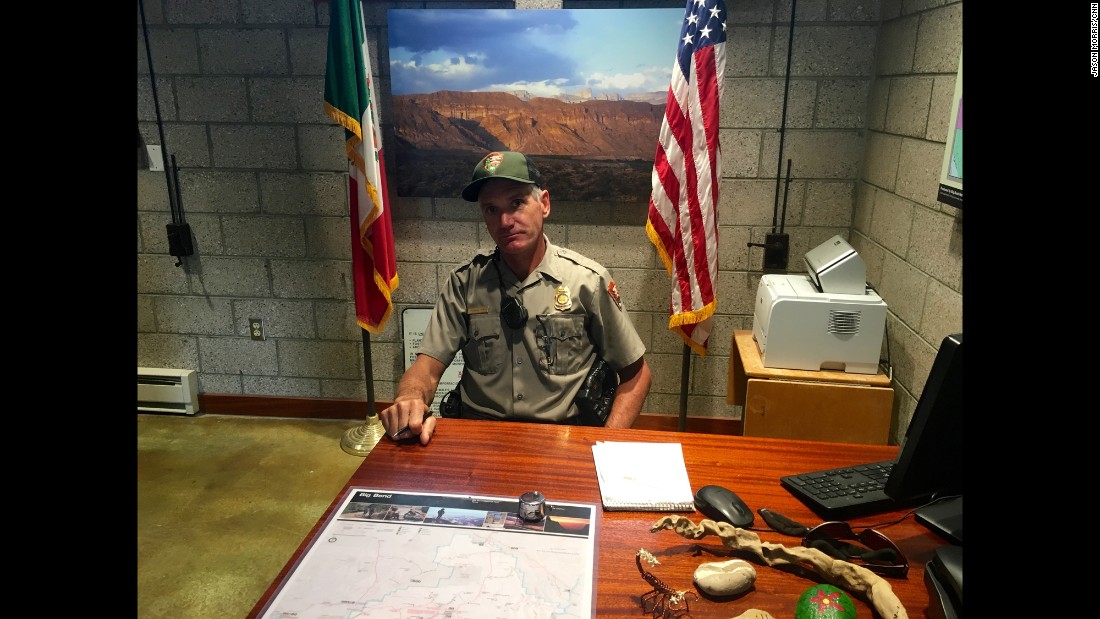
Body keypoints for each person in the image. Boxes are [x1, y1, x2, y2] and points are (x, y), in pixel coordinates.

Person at [379, 150, 652, 445]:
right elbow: (426, 369)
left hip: (562, 438)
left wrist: (605, 447)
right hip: (480, 438)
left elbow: (636, 375)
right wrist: (410, 398)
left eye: (517, 203)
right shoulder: (465, 283)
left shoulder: (587, 281)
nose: (505, 221)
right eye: (491, 209)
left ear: (544, 204)